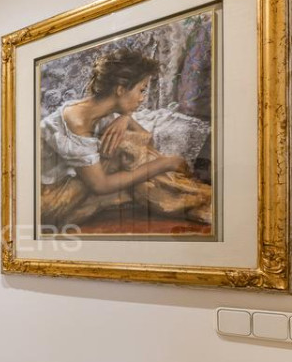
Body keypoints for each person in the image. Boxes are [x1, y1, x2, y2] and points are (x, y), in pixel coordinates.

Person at [40, 48, 209, 230]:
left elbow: (146, 141)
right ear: (120, 89)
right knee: (127, 152)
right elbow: (100, 185)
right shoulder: (78, 121)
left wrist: (126, 117)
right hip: (50, 201)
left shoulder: (98, 108)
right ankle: (198, 200)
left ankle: (195, 199)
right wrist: (164, 164)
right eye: (141, 90)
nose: (142, 98)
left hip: (72, 186)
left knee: (130, 150)